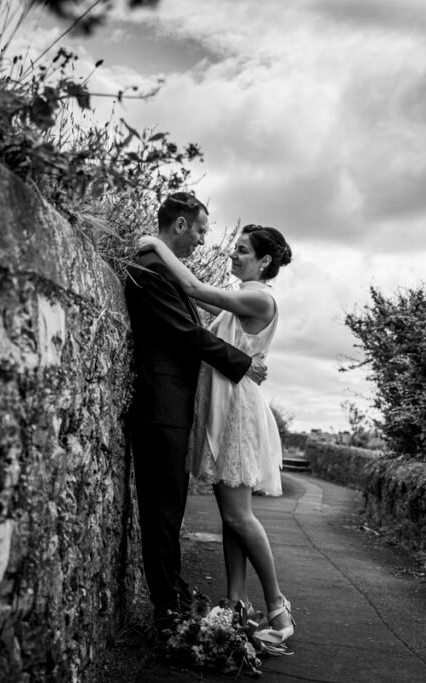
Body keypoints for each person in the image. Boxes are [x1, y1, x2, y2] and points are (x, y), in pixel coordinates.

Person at [137, 223, 295, 647]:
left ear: (264, 261)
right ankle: (237, 603)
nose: (233, 254)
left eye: (242, 250)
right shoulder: (241, 301)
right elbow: (192, 304)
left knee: (239, 516)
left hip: (238, 412)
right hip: (229, 406)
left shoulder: (258, 297)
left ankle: (278, 606)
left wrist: (154, 243)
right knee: (231, 518)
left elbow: (193, 286)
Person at [124, 192, 268, 631]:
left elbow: (199, 302)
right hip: (160, 408)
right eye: (202, 230)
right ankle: (168, 609)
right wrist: (244, 365)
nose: (206, 241)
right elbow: (188, 334)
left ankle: (174, 593)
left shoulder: (159, 269)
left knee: (169, 510)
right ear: (181, 226)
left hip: (171, 408)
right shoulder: (148, 272)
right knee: (161, 513)